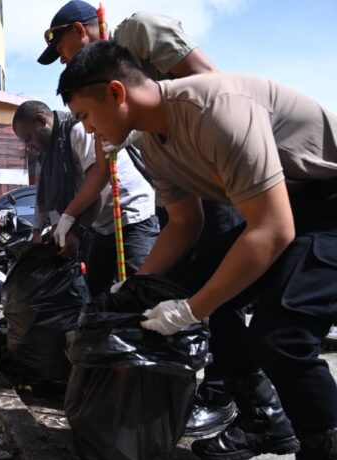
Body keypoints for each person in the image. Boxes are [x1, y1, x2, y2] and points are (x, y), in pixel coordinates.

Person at [58, 40, 337, 460]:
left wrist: (190, 310)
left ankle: (327, 457)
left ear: (116, 93)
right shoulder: (153, 143)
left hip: (327, 199)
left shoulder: (217, 109)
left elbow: (273, 229)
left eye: (85, 115)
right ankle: (263, 416)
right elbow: (185, 224)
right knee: (202, 292)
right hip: (288, 203)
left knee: (281, 333)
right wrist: (139, 286)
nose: (87, 129)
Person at [39, 0, 244, 437]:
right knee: (167, 290)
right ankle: (182, 395)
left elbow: (211, 86)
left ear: (78, 31)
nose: (65, 61)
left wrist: (143, 122)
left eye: (62, 51)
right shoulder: (95, 99)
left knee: (219, 292)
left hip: (214, 177)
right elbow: (101, 166)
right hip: (176, 189)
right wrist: (69, 217)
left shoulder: (140, 33)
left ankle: (227, 396)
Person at [12, 100, 157, 295]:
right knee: (94, 292)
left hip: (130, 213)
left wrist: (77, 230)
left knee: (139, 289)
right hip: (101, 225)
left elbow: (101, 187)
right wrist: (54, 230)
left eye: (29, 137)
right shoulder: (49, 154)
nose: (29, 145)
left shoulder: (78, 131)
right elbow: (51, 198)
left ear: (41, 120)